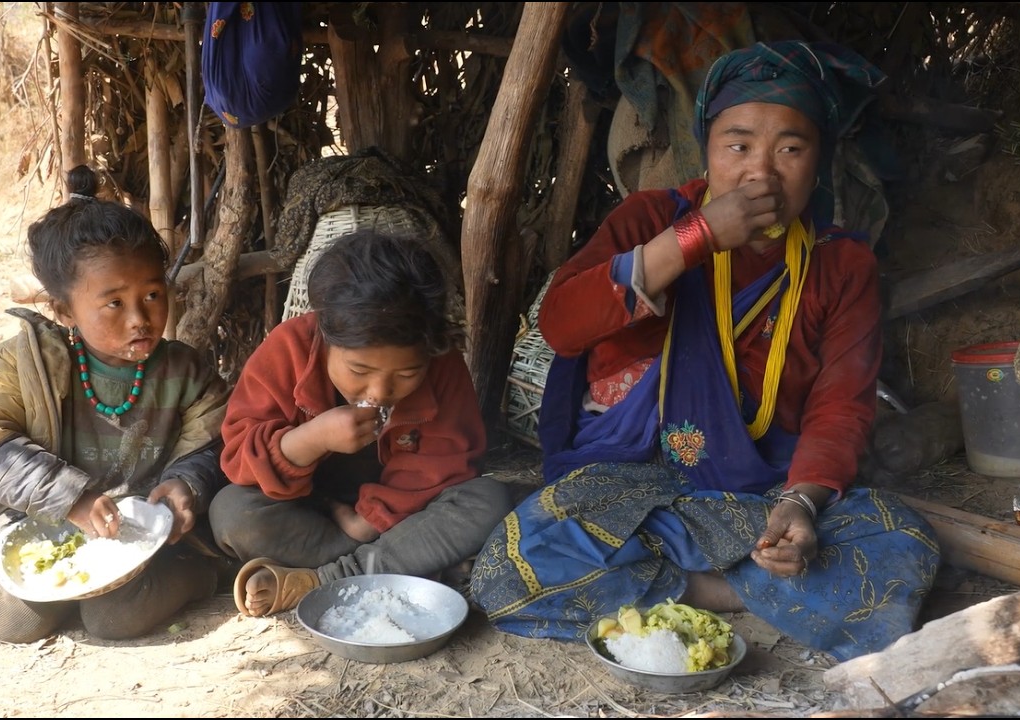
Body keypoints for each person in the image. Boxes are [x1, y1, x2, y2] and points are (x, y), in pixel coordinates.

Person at [469, 41, 941, 662]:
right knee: (515, 564)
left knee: (905, 543)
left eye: (790, 149)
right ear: (706, 149)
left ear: (819, 159)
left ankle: (708, 575)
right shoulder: (649, 220)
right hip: (629, 485)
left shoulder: (840, 263)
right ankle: (725, 589)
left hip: (762, 489)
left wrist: (800, 507)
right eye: (738, 146)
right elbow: (561, 325)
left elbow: (840, 406)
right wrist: (694, 239)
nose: (760, 173)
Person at [0, 165, 231, 642]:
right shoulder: (21, 365)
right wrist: (70, 497)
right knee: (17, 620)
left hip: (138, 534)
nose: (140, 318)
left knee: (118, 619)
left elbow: (213, 440)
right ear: (65, 310)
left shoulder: (185, 371)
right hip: (30, 522)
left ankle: (208, 575)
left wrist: (184, 484)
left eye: (153, 294)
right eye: (114, 303)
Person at [212, 230, 515, 616]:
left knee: (486, 501)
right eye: (359, 369)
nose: (381, 389)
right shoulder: (287, 348)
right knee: (233, 514)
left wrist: (371, 518)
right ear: (324, 335)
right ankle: (409, 564)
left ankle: (320, 580)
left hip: (402, 512)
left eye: (407, 374)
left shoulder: (442, 361)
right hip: (316, 516)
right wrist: (311, 439)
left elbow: (446, 461)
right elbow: (238, 456)